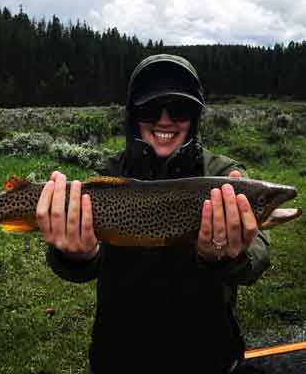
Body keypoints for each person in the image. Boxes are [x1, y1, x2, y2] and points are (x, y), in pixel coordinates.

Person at [36, 53, 270, 374]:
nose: (164, 120)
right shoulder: (107, 176)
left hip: (207, 354)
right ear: (134, 116)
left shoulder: (224, 176)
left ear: (195, 116)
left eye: (180, 108)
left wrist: (229, 256)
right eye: (150, 109)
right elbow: (78, 267)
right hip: (119, 356)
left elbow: (257, 257)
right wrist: (75, 257)